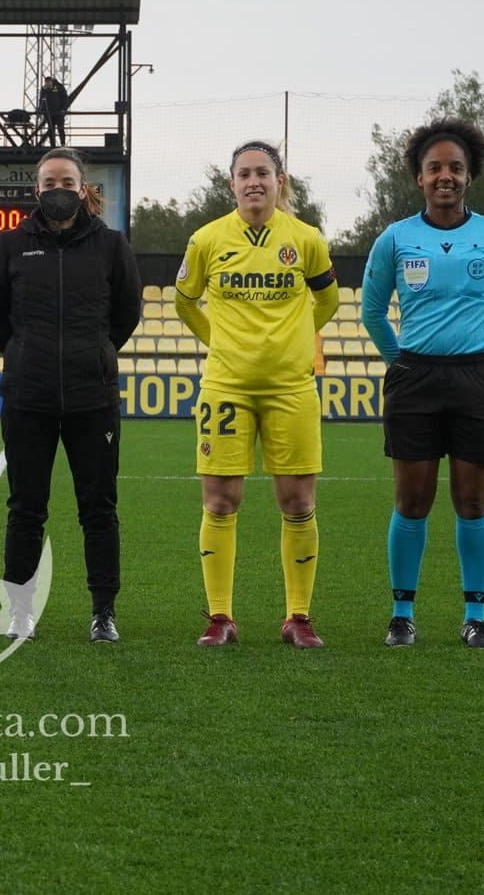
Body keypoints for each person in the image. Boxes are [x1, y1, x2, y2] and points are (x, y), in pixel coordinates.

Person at [361, 118, 484, 649]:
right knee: (412, 501)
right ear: (419, 178)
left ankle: (475, 616)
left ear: (469, 174)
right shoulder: (396, 238)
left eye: (455, 167)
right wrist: (401, 361)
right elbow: (371, 311)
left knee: (473, 503)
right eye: (435, 168)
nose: (445, 176)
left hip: (477, 380)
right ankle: (401, 614)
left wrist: (480, 348)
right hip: (414, 381)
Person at [174, 140, 339, 649]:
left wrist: (293, 341)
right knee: (221, 501)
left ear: (279, 181)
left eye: (263, 173)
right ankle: (220, 617)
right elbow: (184, 302)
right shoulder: (206, 240)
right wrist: (220, 342)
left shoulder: (305, 239)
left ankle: (299, 617)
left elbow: (327, 299)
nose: (253, 182)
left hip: (291, 389)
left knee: (297, 500)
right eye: (244, 174)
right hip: (226, 387)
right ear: (232, 184)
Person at [0, 146, 141, 643]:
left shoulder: (112, 246)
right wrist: (27, 354)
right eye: (49, 183)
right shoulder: (10, 245)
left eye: (66, 182)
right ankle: (21, 612)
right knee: (26, 508)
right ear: (36, 190)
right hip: (28, 399)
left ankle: (103, 612)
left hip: (94, 400)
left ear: (82, 187)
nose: (57, 190)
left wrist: (93, 353)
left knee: (99, 509)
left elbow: (126, 314)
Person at [38, 76, 69, 146]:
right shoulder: (44, 89)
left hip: (59, 112)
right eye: (46, 83)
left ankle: (63, 144)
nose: (47, 85)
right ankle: (52, 145)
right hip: (49, 113)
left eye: (49, 83)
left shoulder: (59, 87)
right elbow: (41, 100)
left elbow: (65, 98)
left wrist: (64, 109)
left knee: (60, 128)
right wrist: (41, 110)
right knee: (50, 129)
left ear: (51, 82)